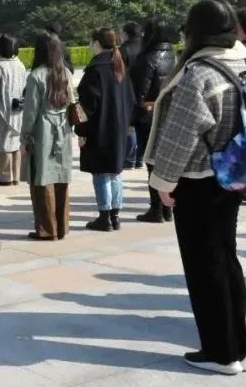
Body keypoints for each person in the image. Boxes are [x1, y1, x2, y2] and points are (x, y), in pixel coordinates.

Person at [146, 0, 246, 376]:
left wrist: (163, 182)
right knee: (226, 259)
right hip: (232, 172)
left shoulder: (199, 72)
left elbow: (180, 135)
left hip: (198, 179)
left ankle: (221, 353)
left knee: (205, 267)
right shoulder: (242, 62)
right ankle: (239, 349)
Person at [76, 28, 135, 232]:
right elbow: (131, 99)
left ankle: (104, 217)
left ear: (97, 43)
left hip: (99, 128)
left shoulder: (95, 70)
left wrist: (81, 131)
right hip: (119, 127)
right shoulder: (120, 66)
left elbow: (85, 107)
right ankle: (115, 216)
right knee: (115, 171)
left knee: (101, 172)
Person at [21, 33, 76, 240]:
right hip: (63, 130)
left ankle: (46, 229)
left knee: (41, 179)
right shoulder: (65, 72)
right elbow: (72, 102)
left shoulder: (36, 76)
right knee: (61, 177)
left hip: (42, 132)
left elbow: (30, 112)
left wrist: (25, 137)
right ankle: (62, 226)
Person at [131, 18, 178, 223]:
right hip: (169, 114)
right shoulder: (174, 56)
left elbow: (140, 94)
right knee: (165, 163)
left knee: (151, 163)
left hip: (148, 116)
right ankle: (167, 208)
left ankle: (156, 209)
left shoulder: (147, 59)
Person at [0, 35, 28, 186]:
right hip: (18, 107)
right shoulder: (20, 64)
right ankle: (16, 176)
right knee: (16, 142)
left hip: (2, 108)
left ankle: (5, 177)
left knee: (3, 143)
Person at [120, 21, 144, 169]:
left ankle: (129, 159)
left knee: (129, 124)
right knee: (142, 125)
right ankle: (140, 158)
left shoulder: (124, 49)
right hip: (145, 91)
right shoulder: (146, 46)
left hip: (129, 90)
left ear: (125, 34)